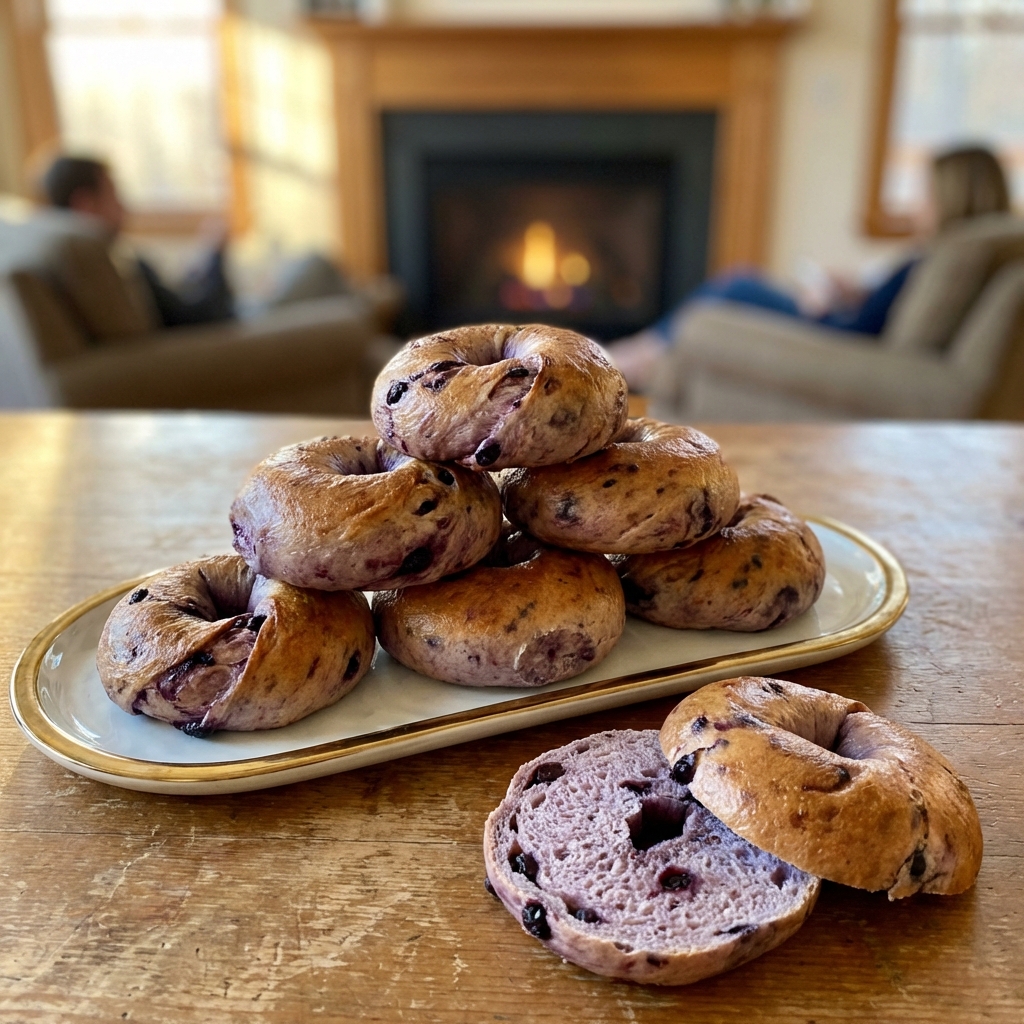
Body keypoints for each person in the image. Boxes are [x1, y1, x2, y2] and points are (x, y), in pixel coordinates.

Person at [607, 146, 1013, 391]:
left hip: (836, 331)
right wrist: (854, 291)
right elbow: (884, 312)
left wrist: (824, 305)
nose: (918, 204)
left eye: (926, 192)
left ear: (950, 196)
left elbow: (863, 329)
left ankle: (622, 361)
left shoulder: (933, 258)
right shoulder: (954, 255)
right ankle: (628, 358)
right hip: (843, 321)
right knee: (735, 286)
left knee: (736, 287)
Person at [40, 155, 235, 328]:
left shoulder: (77, 259)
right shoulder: (110, 267)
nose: (123, 206)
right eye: (113, 194)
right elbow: (203, 316)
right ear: (85, 204)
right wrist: (216, 252)